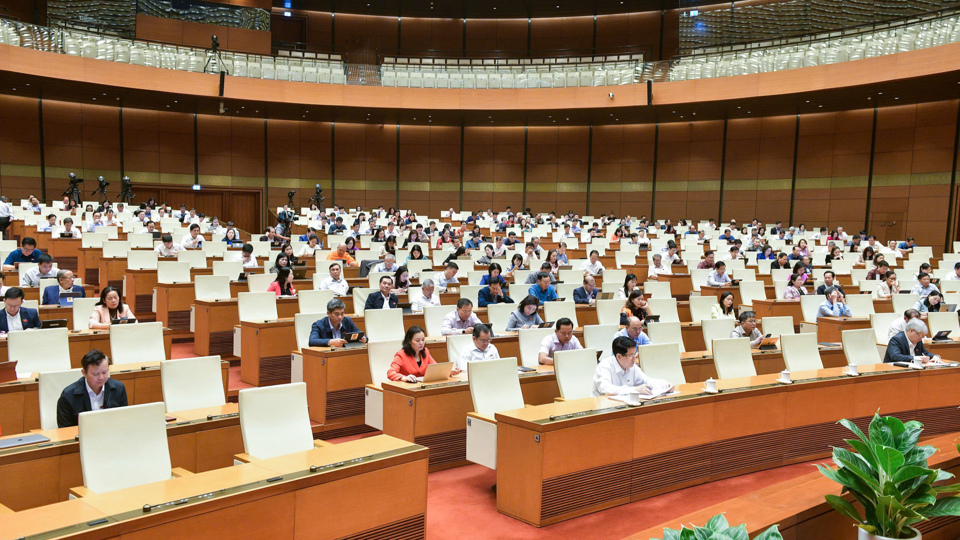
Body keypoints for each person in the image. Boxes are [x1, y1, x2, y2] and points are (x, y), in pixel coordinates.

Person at [55, 349, 128, 428]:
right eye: (96, 374)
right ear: (84, 373)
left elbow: (123, 419)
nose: (101, 377)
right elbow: (64, 429)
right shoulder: (68, 395)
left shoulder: (118, 389)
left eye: (104, 372)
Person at [593, 336, 675, 397]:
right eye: (630, 355)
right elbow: (605, 389)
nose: (634, 358)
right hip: (603, 407)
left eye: (635, 354)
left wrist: (664, 385)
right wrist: (635, 390)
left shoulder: (632, 366)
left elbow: (646, 381)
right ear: (619, 356)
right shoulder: (604, 366)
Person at [388, 326, 457, 382]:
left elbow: (436, 369)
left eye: (423, 340)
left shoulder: (425, 351)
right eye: (417, 340)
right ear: (409, 341)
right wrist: (404, 378)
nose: (421, 343)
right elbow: (390, 372)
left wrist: (449, 372)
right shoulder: (401, 355)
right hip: (407, 389)